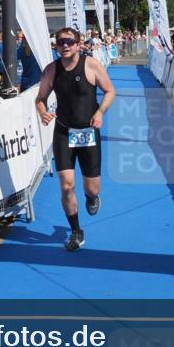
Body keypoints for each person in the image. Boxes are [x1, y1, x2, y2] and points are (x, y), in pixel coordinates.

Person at [35, 27, 117, 252]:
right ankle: (76, 231)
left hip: (88, 133)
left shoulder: (91, 65)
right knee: (66, 185)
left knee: (92, 188)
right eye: (60, 42)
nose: (65, 45)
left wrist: (100, 112)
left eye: (69, 41)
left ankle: (92, 197)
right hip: (63, 133)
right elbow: (40, 98)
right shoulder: (51, 70)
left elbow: (110, 91)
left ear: (79, 44)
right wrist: (42, 112)